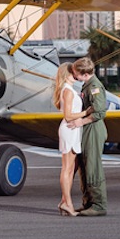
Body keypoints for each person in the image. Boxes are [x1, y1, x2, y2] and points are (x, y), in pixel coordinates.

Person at [69, 56, 108, 216]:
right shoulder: (87, 85)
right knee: (84, 167)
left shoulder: (94, 87)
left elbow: (99, 111)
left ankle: (99, 205)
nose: (74, 75)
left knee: (93, 167)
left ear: (84, 73)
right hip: (87, 129)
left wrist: (81, 122)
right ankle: (88, 203)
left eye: (76, 73)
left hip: (93, 128)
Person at [53, 62, 90, 216]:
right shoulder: (67, 91)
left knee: (70, 168)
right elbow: (68, 116)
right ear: (66, 74)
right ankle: (68, 204)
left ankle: (64, 201)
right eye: (72, 72)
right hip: (69, 129)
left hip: (74, 130)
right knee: (67, 169)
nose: (75, 75)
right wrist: (86, 112)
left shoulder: (69, 90)